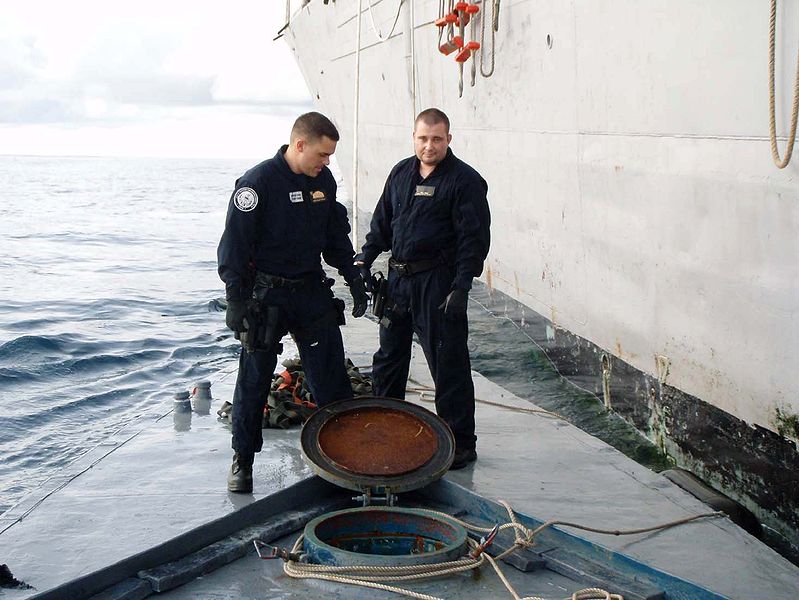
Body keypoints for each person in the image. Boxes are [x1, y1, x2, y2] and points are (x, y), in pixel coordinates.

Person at [218, 112, 368, 493]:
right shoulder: (257, 184)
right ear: (299, 145)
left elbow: (335, 236)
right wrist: (235, 299)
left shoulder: (324, 182)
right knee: (253, 379)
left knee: (331, 377)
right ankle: (243, 459)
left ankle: (344, 456)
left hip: (309, 291)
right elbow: (234, 244)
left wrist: (352, 275)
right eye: (322, 154)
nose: (326, 163)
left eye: (330, 156)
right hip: (266, 296)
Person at [356, 108, 490, 470]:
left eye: (436, 139)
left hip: (438, 284)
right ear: (413, 137)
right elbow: (382, 224)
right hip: (398, 282)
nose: (428, 146)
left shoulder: (465, 181)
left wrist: (462, 286)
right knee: (388, 362)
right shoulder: (401, 173)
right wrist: (364, 258)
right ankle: (386, 429)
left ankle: (461, 443)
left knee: (448, 366)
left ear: (449, 139)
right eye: (422, 138)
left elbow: (473, 241)